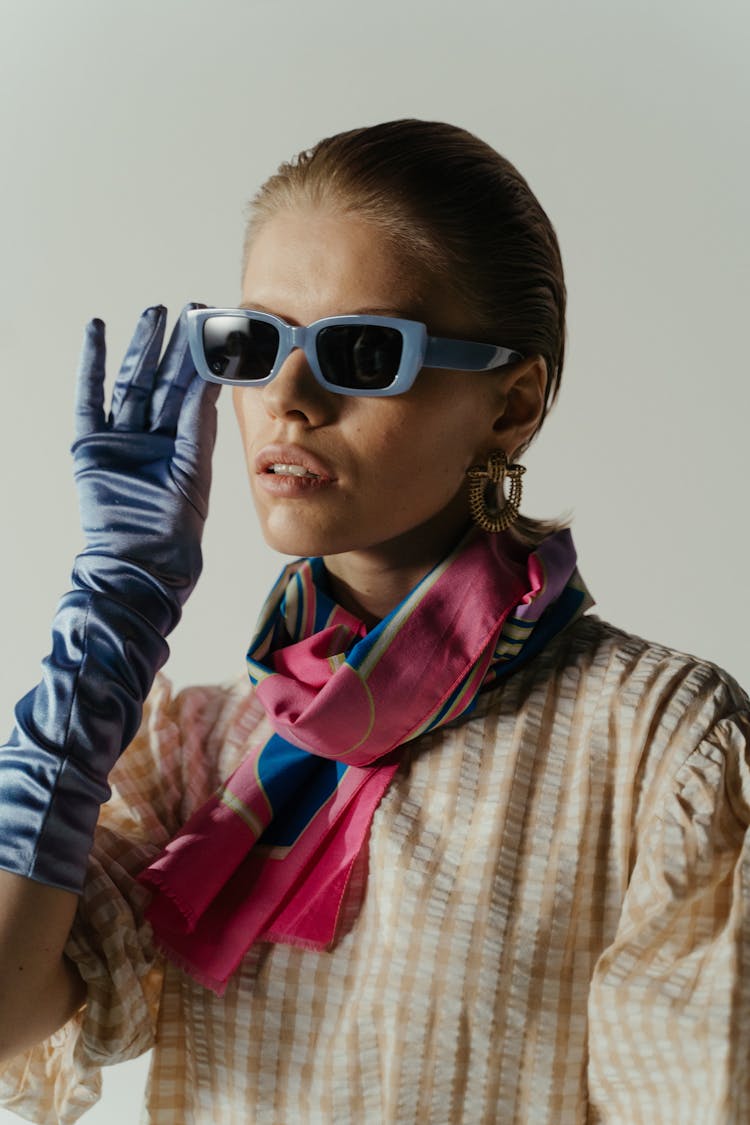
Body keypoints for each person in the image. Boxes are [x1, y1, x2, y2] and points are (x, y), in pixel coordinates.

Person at [0, 118, 747, 1124]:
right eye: (254, 343)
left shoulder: (659, 746)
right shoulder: (198, 750)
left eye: (360, 351)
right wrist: (109, 619)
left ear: (513, 402)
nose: (289, 398)